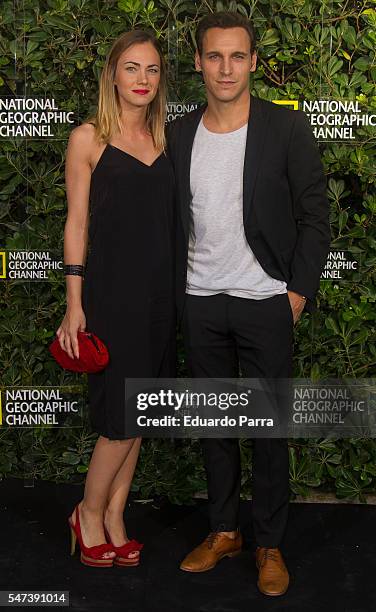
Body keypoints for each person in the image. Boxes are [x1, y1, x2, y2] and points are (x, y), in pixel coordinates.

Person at [167, 12, 330, 595]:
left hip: (265, 301)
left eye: (237, 56)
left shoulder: (284, 130)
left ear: (254, 62)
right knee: (215, 426)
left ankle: (268, 543)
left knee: (267, 431)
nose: (226, 68)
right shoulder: (180, 132)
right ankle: (222, 531)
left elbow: (316, 215)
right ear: (199, 63)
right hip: (201, 301)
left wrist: (296, 294)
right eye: (214, 56)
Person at [57, 30, 175, 568]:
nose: (142, 80)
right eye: (131, 69)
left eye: (151, 70)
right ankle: (86, 512)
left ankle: (114, 516)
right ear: (112, 75)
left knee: (143, 412)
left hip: (161, 295)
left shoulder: (169, 139)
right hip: (110, 294)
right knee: (120, 417)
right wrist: (74, 302)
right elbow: (76, 223)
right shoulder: (89, 139)